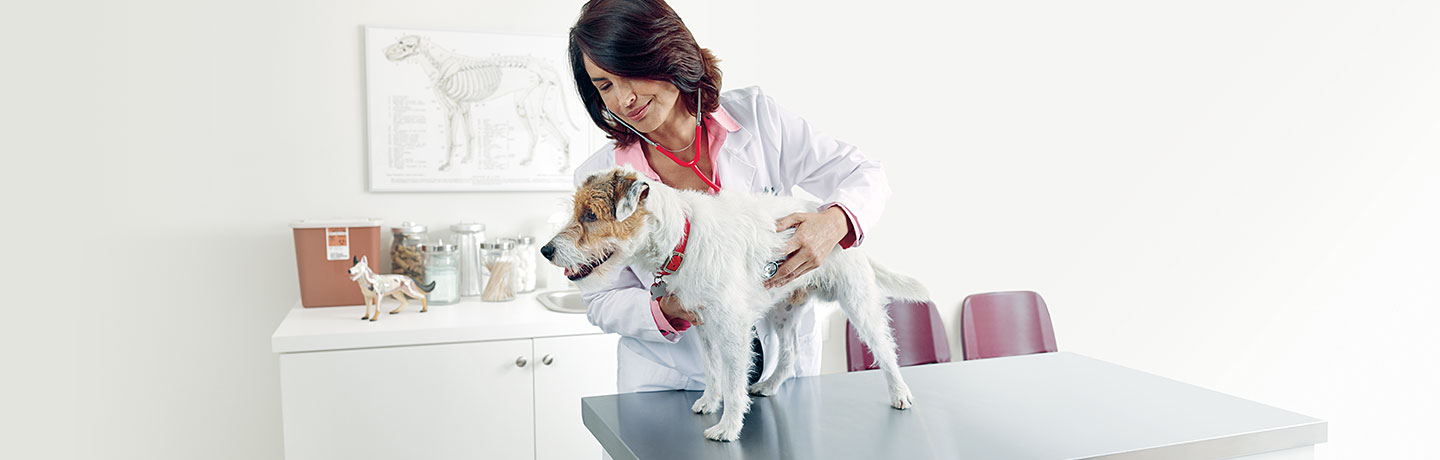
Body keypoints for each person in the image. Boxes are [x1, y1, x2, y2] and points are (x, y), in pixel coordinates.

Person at [568, 0, 891, 393]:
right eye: (605, 86)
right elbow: (601, 298)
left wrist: (834, 222)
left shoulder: (759, 118)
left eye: (629, 73)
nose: (623, 99)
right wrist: (667, 310)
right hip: (675, 383)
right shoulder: (600, 178)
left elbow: (864, 174)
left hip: (784, 371)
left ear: (666, 51)